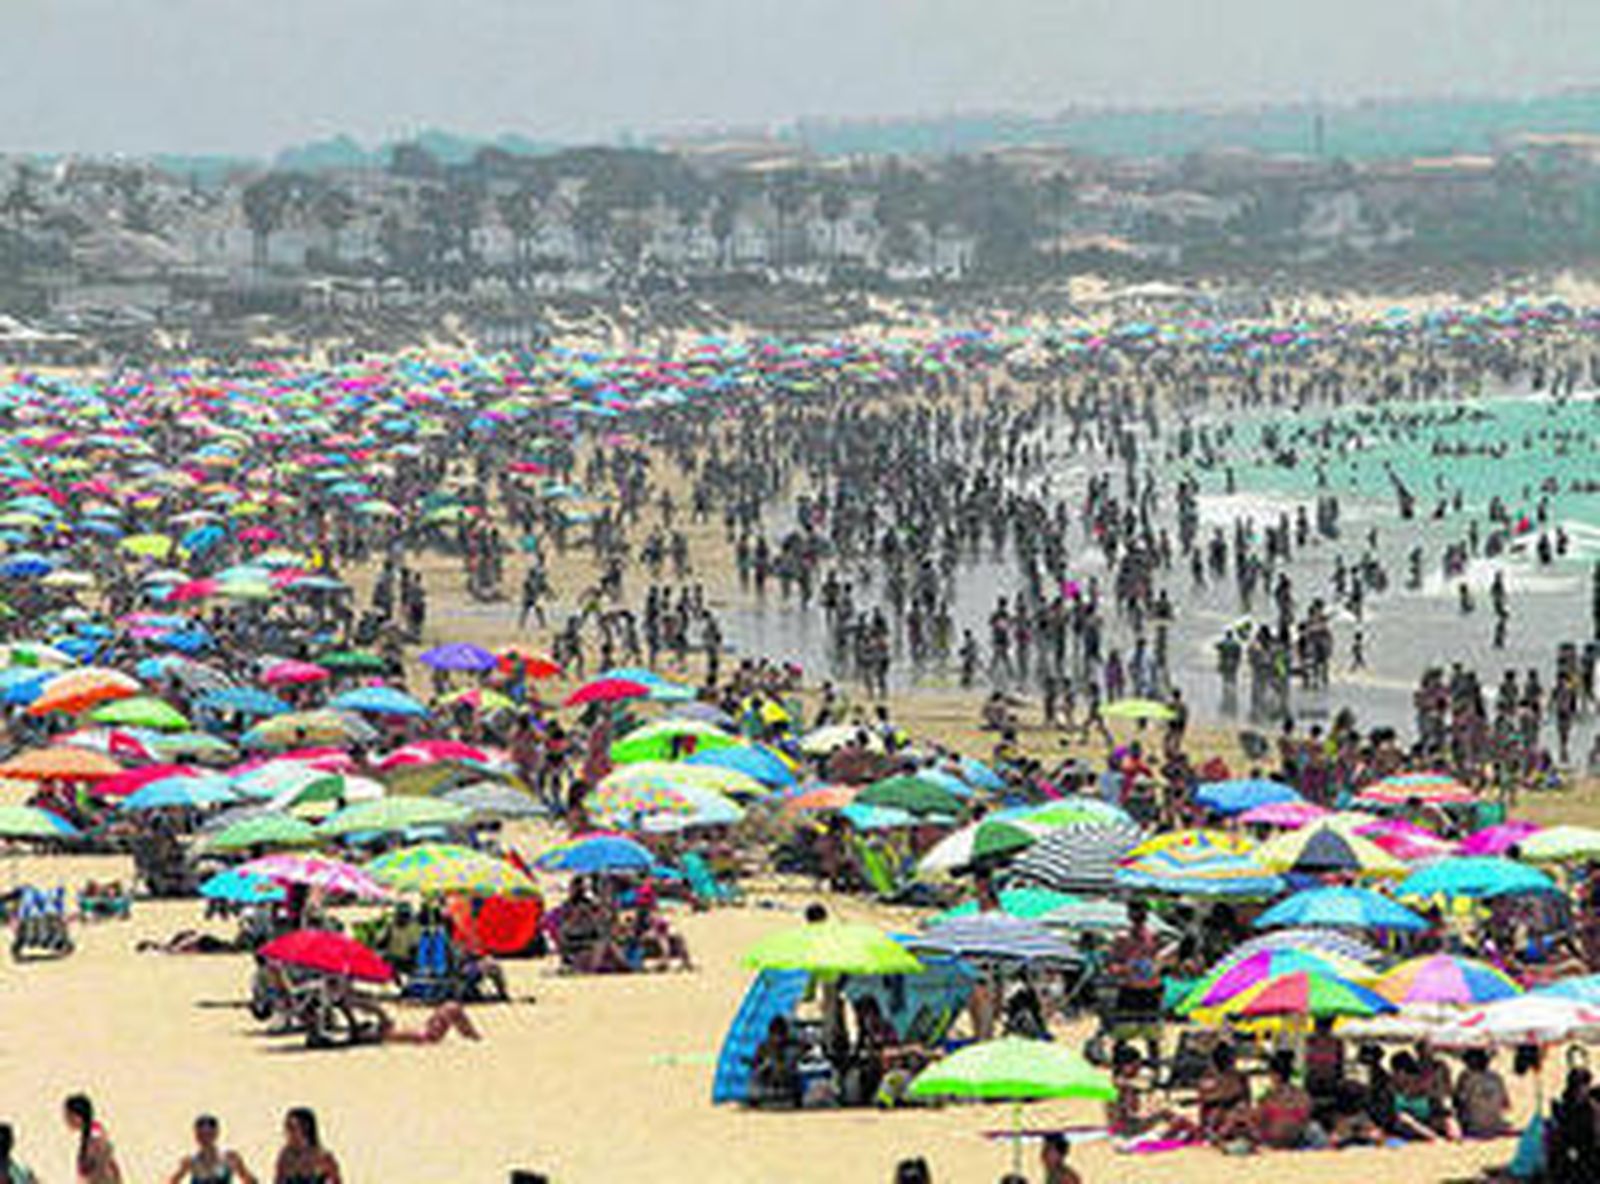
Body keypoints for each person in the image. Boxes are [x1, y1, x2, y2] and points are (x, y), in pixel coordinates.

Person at [1105, 898, 1163, 1063]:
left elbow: (1158, 961)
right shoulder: (1122, 939)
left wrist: (1155, 969)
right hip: (1130, 989)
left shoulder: (1154, 937)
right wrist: (1126, 969)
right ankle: (1119, 1063)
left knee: (1152, 1035)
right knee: (1122, 1033)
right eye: (1135, 910)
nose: (1138, 915)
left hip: (1150, 990)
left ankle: (1154, 1065)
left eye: (1141, 911)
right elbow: (1111, 966)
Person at [1253, 1051, 1317, 1149]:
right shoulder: (1303, 1096)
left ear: (1275, 1075)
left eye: (1270, 1074)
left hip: (1278, 1145)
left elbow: (1258, 1125)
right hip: (1295, 1144)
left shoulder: (1267, 1100)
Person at [168, 1115, 257, 1184]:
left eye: (209, 1134)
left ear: (216, 1134)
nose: (205, 1139)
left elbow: (251, 1181)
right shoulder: (190, 1161)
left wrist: (239, 1165)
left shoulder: (229, 1157)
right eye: (201, 1135)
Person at [1454, 1048, 1513, 1138]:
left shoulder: (1465, 1077)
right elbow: (1506, 1105)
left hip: (1472, 1127)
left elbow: (1457, 1101)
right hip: (1495, 1126)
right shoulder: (1497, 1077)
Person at [274, 1108, 341, 1184]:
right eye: (287, 1128)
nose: (288, 1133)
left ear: (305, 1128)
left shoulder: (323, 1159)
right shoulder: (286, 1158)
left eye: (292, 1128)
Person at [63, 1095, 120, 1184]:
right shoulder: (87, 1134)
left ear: (78, 1116)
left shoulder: (95, 1131)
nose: (67, 1120)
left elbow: (102, 1156)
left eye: (69, 1115)